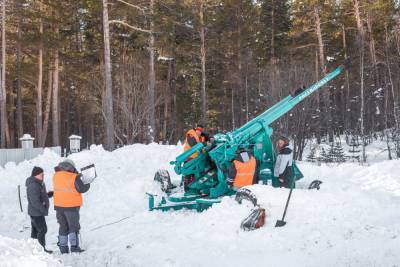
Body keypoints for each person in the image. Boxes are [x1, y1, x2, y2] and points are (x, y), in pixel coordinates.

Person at [53, 159, 90, 254]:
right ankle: (74, 247)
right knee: (73, 227)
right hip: (71, 207)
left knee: (63, 226)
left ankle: (63, 248)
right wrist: (87, 181)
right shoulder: (74, 177)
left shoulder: (56, 176)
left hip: (59, 206)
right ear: (71, 167)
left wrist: (76, 175)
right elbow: (82, 189)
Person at [26, 166, 53, 254]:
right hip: (36, 212)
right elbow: (35, 201)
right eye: (41, 174)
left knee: (35, 231)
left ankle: (33, 249)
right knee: (42, 229)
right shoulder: (33, 185)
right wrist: (43, 209)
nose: (43, 175)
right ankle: (41, 250)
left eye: (43, 174)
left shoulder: (38, 183)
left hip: (36, 212)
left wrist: (48, 195)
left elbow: (39, 196)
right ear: (36, 175)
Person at [182, 124, 209, 191]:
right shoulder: (191, 134)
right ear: (196, 129)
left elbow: (208, 137)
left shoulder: (201, 136)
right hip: (189, 157)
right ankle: (187, 188)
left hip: (197, 158)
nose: (199, 132)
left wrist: (210, 138)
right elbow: (193, 144)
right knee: (189, 173)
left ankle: (194, 187)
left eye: (201, 130)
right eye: (198, 130)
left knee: (195, 174)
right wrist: (204, 144)